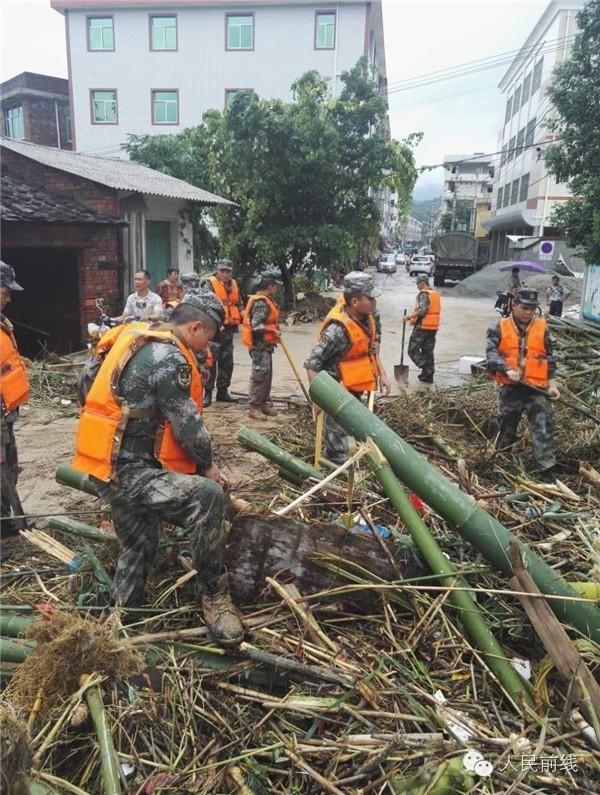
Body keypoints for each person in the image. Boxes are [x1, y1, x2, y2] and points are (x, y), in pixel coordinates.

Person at [72, 292, 243, 646]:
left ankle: (123, 619)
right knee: (207, 497)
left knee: (139, 542)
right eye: (207, 337)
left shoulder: (134, 336)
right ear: (195, 326)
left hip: (106, 464)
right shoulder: (169, 357)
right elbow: (189, 426)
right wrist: (207, 467)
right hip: (132, 472)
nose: (206, 346)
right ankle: (214, 594)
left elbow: (84, 385)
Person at [305, 272, 390, 465]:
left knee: (359, 430)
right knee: (337, 447)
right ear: (354, 301)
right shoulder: (337, 331)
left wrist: (382, 373)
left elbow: (373, 347)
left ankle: (346, 462)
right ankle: (335, 476)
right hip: (337, 394)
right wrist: (319, 399)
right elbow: (312, 363)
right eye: (370, 298)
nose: (374, 303)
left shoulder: (371, 317)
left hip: (357, 384)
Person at [486, 288, 559, 479]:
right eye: (524, 308)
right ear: (514, 305)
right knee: (506, 427)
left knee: (543, 427)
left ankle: (546, 470)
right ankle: (499, 463)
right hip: (511, 388)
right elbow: (491, 354)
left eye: (532, 309)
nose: (528, 312)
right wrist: (506, 369)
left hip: (536, 389)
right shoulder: (500, 326)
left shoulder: (543, 327)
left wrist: (552, 384)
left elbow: (549, 358)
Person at [0, 262, 30, 536]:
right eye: (6, 291)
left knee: (9, 469)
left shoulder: (1, 322)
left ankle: (5, 522)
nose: (9, 298)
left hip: (5, 413)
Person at [201, 259, 243, 405]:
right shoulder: (209, 284)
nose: (225, 274)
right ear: (217, 271)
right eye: (222, 271)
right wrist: (215, 323)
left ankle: (223, 391)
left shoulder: (234, 284)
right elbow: (205, 306)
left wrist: (244, 316)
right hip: (214, 330)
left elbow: (239, 303)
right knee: (210, 361)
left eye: (228, 271)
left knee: (227, 361)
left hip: (229, 329)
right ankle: (207, 393)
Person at [241, 269, 281, 420]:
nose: (276, 289)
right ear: (269, 286)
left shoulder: (267, 300)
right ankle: (254, 407)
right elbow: (256, 326)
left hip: (267, 346)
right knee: (259, 375)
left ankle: (264, 403)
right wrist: (273, 331)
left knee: (267, 376)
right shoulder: (261, 303)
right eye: (275, 286)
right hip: (259, 346)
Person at [404, 276, 441, 383]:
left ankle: (427, 369)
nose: (417, 286)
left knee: (412, 350)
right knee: (428, 351)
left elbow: (423, 310)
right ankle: (427, 376)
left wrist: (409, 317)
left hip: (422, 327)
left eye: (417, 284)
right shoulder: (435, 294)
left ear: (422, 283)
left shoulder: (424, 294)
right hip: (433, 327)